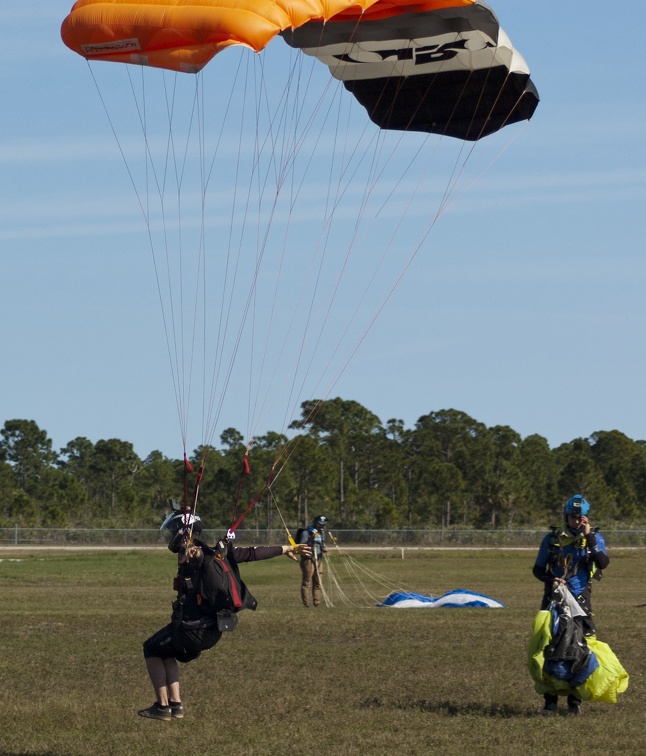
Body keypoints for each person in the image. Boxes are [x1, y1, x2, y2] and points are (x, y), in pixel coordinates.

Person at [138, 510, 307, 721]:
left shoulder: (196, 554)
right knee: (165, 651)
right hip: (213, 631)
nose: (169, 535)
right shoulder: (218, 553)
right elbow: (252, 553)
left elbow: (196, 555)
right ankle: (175, 705)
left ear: (182, 532)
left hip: (191, 630)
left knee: (151, 648)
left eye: (172, 530)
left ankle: (162, 707)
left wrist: (192, 552)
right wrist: (285, 548)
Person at [532, 494, 609, 715]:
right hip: (554, 600)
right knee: (550, 647)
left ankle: (574, 703)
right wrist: (552, 580)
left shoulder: (594, 539)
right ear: (566, 516)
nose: (576, 521)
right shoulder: (552, 539)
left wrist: (589, 537)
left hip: (581, 602)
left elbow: (603, 562)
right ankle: (550, 702)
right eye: (573, 517)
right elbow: (538, 570)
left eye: (581, 517)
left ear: (586, 518)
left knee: (580, 649)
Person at [297, 515, 328, 608]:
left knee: (318, 582)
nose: (322, 526)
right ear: (316, 523)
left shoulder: (320, 533)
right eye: (320, 524)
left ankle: (317, 603)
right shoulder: (306, 532)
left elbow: (321, 544)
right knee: (307, 581)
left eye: (323, 525)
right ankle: (306, 603)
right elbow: (302, 545)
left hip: (318, 558)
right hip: (308, 559)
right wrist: (311, 539)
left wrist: (324, 548)